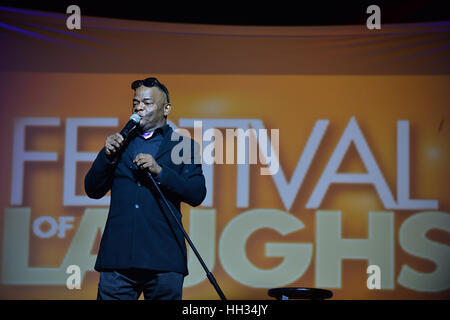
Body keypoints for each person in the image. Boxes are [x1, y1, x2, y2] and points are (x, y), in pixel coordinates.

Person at [84, 77, 206, 300]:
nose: (139, 107)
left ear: (166, 108)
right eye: (135, 103)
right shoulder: (120, 144)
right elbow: (92, 189)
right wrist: (106, 156)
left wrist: (160, 171)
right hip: (118, 260)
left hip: (164, 258)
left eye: (147, 103)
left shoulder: (184, 146)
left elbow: (197, 193)